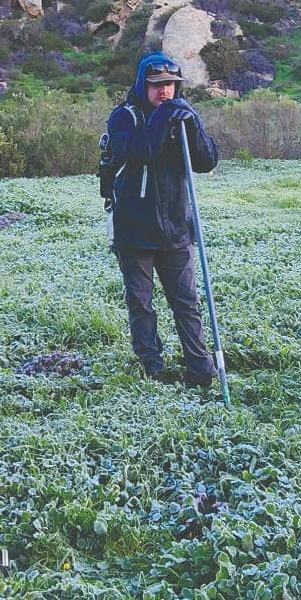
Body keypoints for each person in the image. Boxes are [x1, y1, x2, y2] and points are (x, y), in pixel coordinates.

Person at [103, 51, 221, 386]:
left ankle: (201, 368)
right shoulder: (123, 118)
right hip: (134, 231)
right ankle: (152, 367)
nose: (164, 91)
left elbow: (207, 160)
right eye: (156, 85)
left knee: (187, 302)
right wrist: (165, 116)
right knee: (141, 303)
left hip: (176, 230)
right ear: (143, 85)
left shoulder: (179, 116)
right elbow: (141, 152)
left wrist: (192, 122)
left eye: (170, 85)